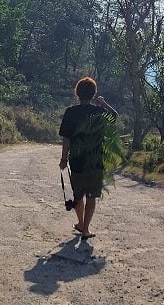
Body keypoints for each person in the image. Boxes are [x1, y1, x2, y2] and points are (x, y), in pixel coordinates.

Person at [58, 77, 118, 240]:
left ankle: (80, 223)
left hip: (76, 160)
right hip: (95, 160)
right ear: (94, 94)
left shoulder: (70, 112)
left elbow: (66, 138)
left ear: (77, 93)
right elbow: (114, 116)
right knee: (92, 195)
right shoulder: (99, 112)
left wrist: (63, 159)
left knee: (78, 194)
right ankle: (85, 228)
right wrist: (103, 104)